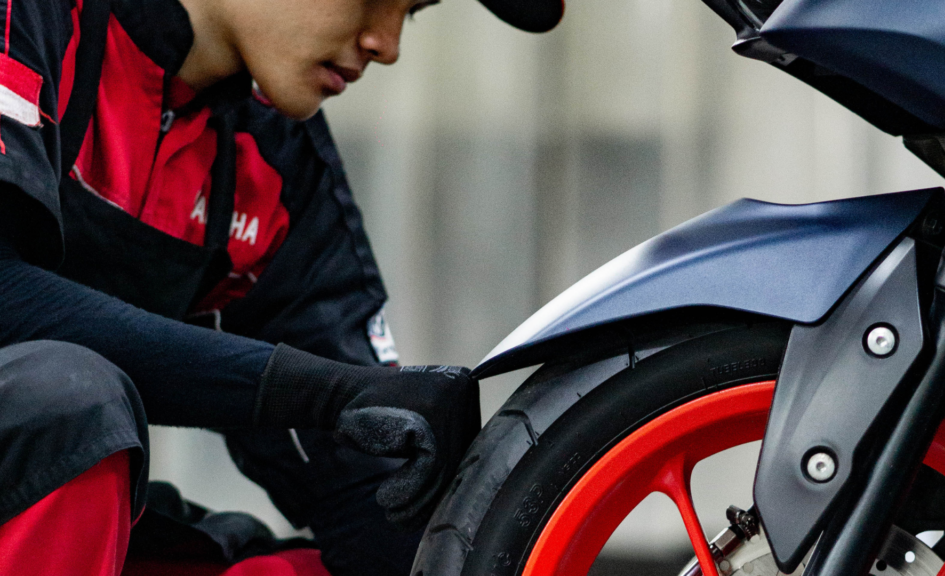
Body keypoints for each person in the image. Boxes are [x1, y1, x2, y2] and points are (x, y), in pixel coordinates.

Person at [0, 0, 563, 574]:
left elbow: (365, 486)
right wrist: (324, 392)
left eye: (412, 11)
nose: (387, 45)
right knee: (66, 401)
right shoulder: (28, 18)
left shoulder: (270, 154)